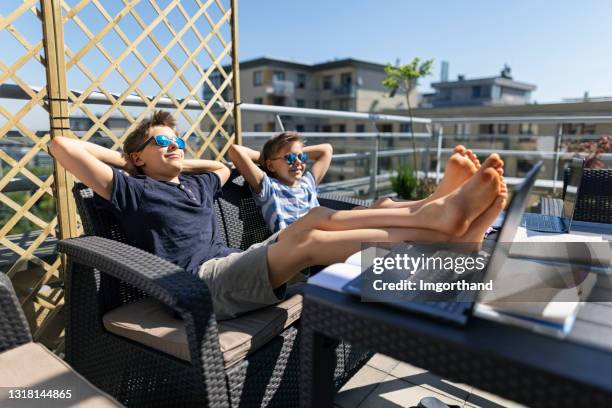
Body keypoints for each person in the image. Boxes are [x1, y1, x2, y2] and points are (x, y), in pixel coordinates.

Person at [50, 110, 506, 320]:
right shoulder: (131, 188)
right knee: (308, 240)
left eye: (178, 139)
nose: (177, 147)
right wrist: (128, 160)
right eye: (163, 143)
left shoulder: (197, 181)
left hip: (239, 259)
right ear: (137, 158)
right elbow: (62, 146)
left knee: (314, 217)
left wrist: (175, 159)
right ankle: (437, 223)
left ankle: (436, 219)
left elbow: (215, 165)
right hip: (197, 285)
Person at [228, 131, 490, 232]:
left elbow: (327, 149)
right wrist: (268, 159)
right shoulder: (268, 186)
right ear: (270, 165)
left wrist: (293, 153)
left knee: (379, 204)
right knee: (321, 214)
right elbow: (236, 152)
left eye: (300, 157)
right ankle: (433, 210)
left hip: (323, 228)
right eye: (289, 159)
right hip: (294, 238)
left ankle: (434, 201)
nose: (298, 162)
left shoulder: (307, 182)